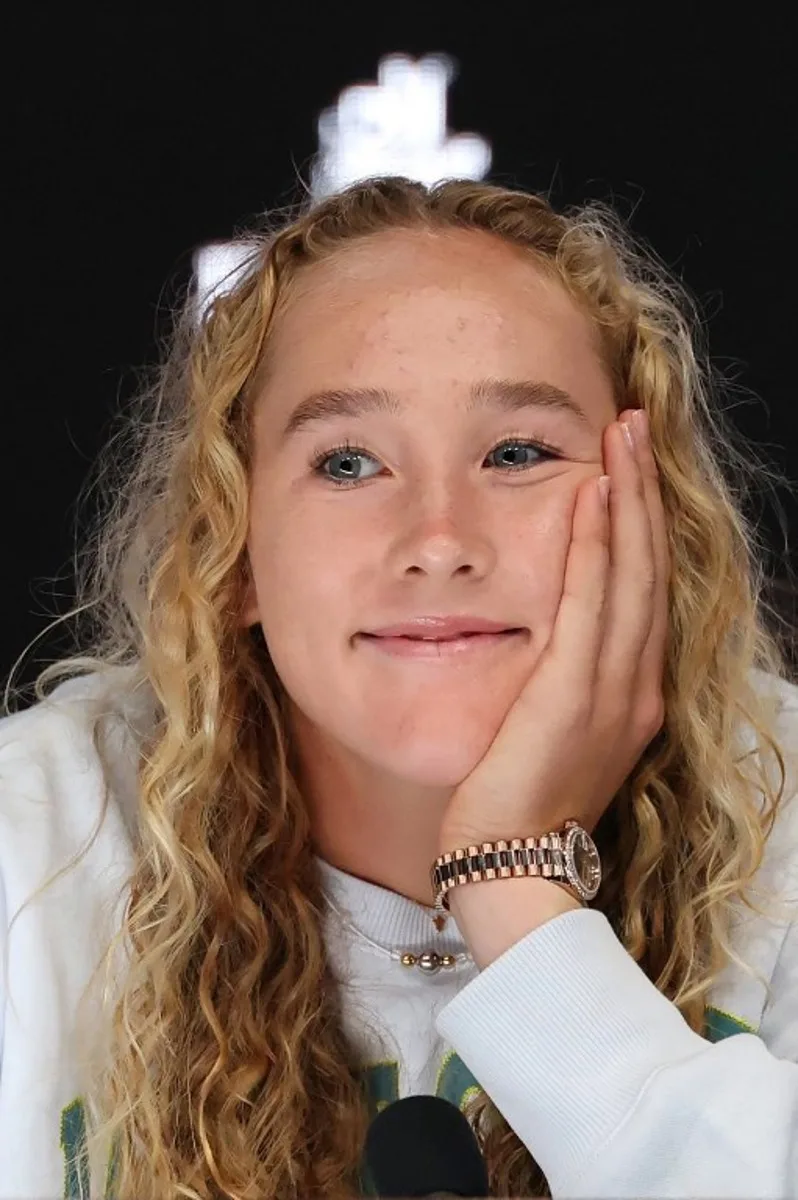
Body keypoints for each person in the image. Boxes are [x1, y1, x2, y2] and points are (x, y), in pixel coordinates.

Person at [1, 176, 797, 1200]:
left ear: (655, 513)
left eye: (516, 453)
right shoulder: (31, 860)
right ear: (235, 548)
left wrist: (516, 890)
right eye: (347, 463)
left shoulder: (779, 825)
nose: (438, 541)